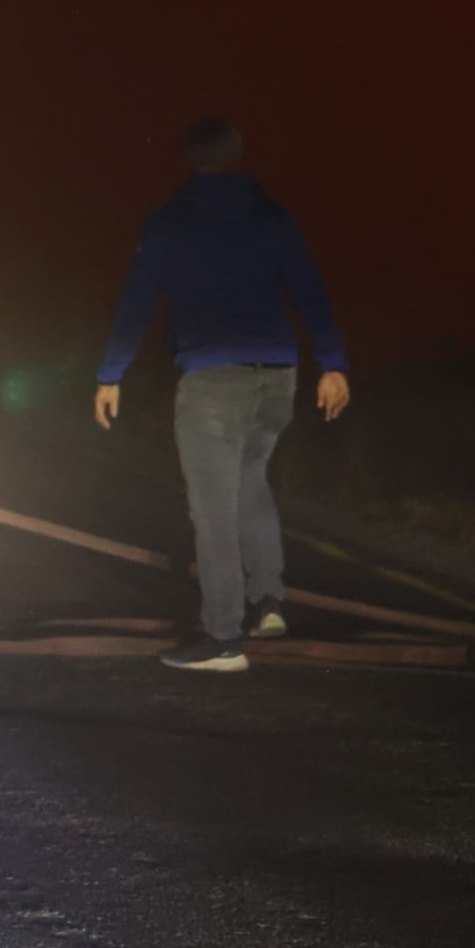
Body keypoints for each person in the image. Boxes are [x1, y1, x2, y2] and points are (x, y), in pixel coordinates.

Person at [94, 119, 352, 671]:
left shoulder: (168, 222)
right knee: (252, 485)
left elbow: (137, 301)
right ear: (238, 156)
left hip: (213, 379)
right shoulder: (272, 216)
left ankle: (224, 638)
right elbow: (309, 289)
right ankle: (268, 602)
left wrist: (111, 374)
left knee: (213, 511)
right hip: (277, 376)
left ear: (190, 159)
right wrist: (333, 365)